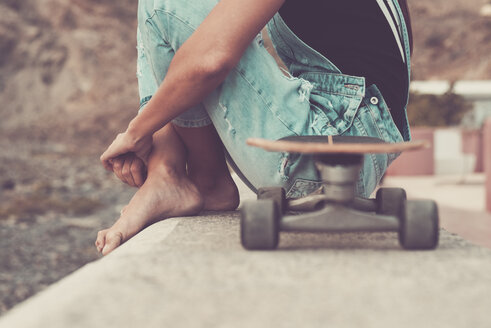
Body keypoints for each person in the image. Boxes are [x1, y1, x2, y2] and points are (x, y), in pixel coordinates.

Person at [95, 0, 413, 255]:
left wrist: (137, 133)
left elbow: (210, 59)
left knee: (163, 4)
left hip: (318, 149)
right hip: (360, 151)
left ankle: (196, 178)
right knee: (178, 25)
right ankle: (168, 174)